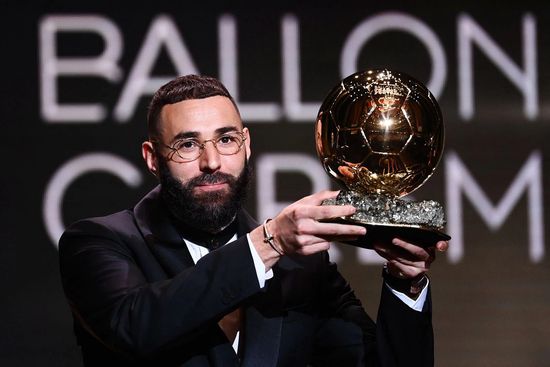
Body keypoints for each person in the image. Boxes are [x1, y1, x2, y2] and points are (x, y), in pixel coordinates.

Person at [59, 74, 448, 367]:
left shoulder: (303, 267)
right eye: (188, 144)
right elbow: (136, 328)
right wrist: (269, 243)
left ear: (246, 144)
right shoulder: (98, 242)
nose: (212, 162)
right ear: (152, 157)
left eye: (226, 140)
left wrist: (404, 283)